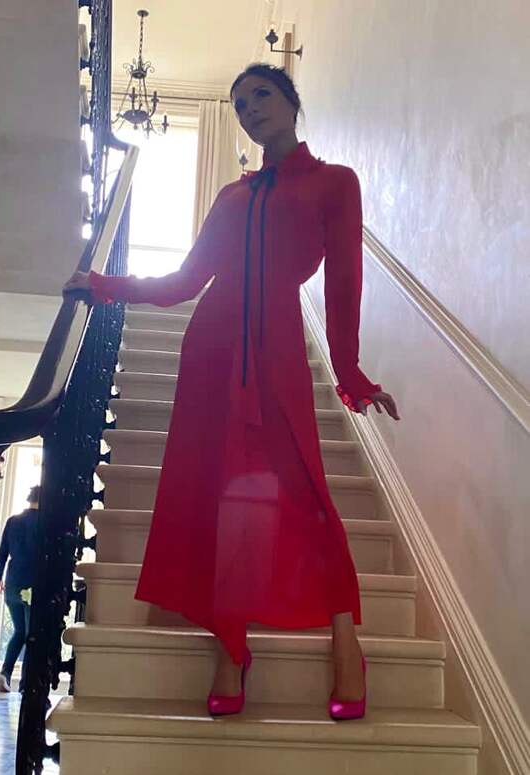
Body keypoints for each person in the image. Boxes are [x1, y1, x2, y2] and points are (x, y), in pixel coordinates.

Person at [64, 63, 399, 720]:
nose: (250, 109)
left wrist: (351, 375)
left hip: (277, 350)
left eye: (261, 95)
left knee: (305, 491)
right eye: (240, 104)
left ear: (292, 101)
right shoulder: (230, 196)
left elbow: (344, 287)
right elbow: (185, 281)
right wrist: (105, 285)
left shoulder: (335, 183)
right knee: (229, 498)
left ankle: (345, 641)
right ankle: (230, 646)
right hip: (211, 351)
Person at [0, 484, 40, 693]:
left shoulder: (12, 521)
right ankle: (26, 683)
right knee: (32, 635)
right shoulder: (43, 522)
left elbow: (2, 553)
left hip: (12, 583)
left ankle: (5, 672)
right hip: (33, 583)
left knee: (20, 631)